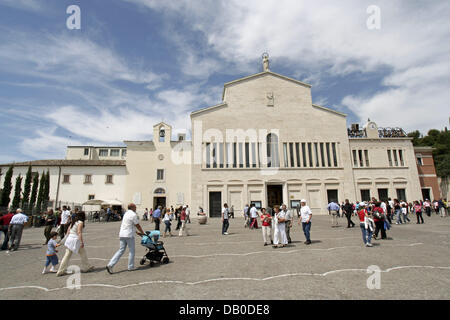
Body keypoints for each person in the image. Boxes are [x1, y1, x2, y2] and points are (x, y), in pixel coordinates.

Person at [106, 204, 145, 274]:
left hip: (122, 234)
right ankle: (130, 266)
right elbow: (137, 225)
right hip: (129, 235)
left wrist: (136, 232)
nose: (136, 208)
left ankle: (110, 264)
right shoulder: (133, 214)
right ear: (132, 207)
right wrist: (143, 232)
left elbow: (129, 224)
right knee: (132, 251)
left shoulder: (126, 214)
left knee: (121, 250)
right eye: (135, 207)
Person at [56, 211, 95, 276]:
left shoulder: (73, 221)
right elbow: (79, 232)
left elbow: (68, 231)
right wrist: (81, 242)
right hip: (75, 240)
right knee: (83, 254)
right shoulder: (80, 222)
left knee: (67, 255)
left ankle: (60, 270)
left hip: (70, 239)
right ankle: (86, 267)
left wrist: (66, 239)